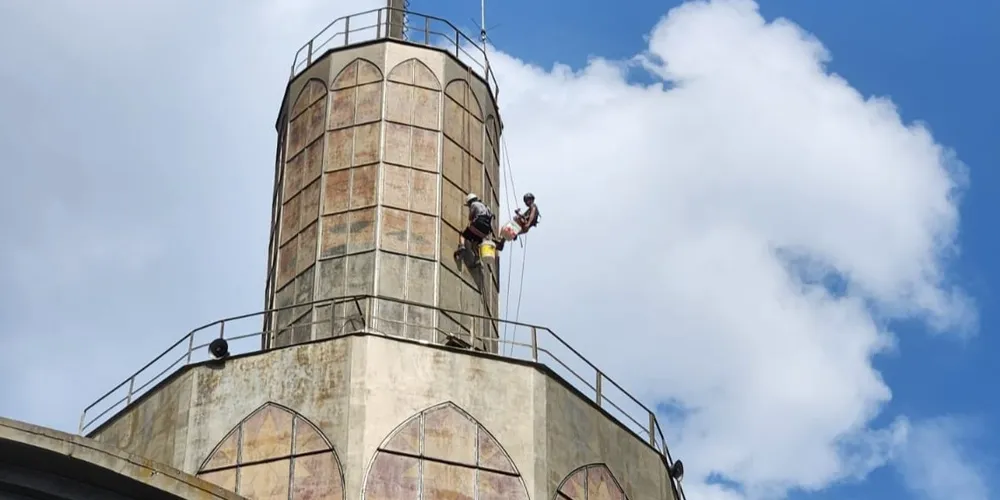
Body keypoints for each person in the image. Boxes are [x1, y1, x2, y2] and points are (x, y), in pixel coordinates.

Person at [454, 193, 494, 260]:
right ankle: (477, 258)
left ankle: (462, 246)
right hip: (485, 232)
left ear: (470, 201)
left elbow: (470, 217)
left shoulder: (474, 204)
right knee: (475, 245)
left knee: (463, 236)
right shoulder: (487, 207)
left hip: (477, 225)